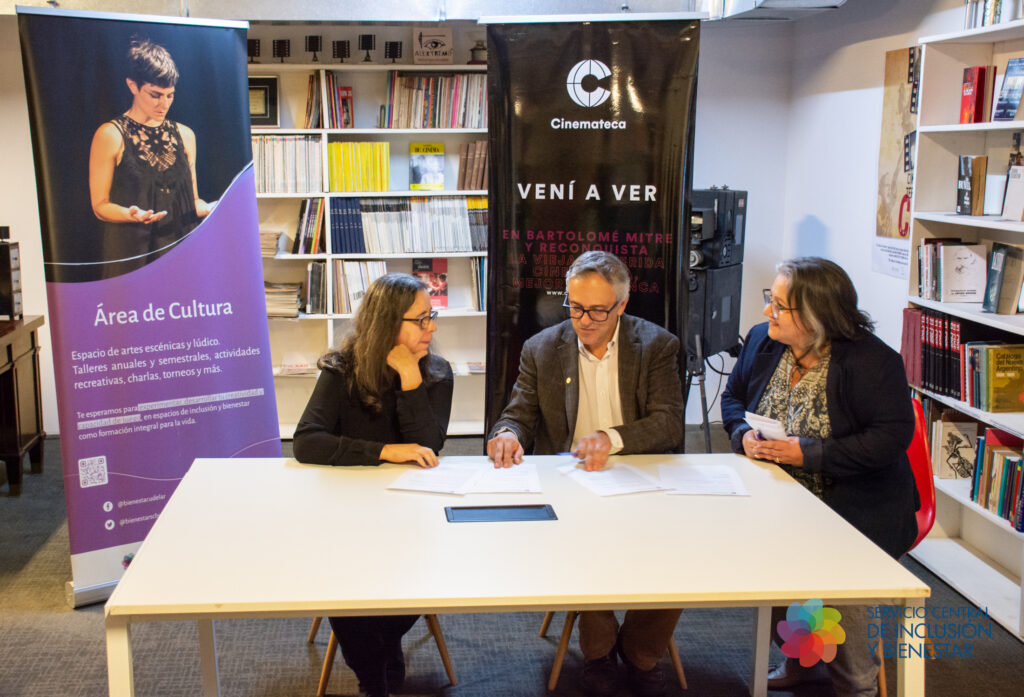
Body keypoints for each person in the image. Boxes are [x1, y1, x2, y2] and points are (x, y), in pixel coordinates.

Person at [487, 250, 683, 697]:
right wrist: (507, 434)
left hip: (641, 475)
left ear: (622, 305)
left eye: (598, 310)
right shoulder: (542, 348)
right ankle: (598, 653)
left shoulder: (656, 345)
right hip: (573, 482)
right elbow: (518, 415)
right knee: (584, 540)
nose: (585, 320)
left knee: (679, 552)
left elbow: (669, 422)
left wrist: (609, 438)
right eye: (576, 307)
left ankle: (640, 651)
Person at [721, 257, 919, 697]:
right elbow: (732, 398)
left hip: (855, 507)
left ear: (815, 317)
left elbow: (890, 438)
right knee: (762, 570)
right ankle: (804, 660)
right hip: (775, 500)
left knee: (835, 580)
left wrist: (807, 453)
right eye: (769, 300)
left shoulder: (873, 361)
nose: (767, 313)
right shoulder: (762, 340)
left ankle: (857, 684)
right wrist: (743, 435)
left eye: (779, 305)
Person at [293, 272, 453, 697]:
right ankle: (374, 677)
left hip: (413, 517)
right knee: (346, 582)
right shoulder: (342, 369)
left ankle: (375, 663)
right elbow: (307, 441)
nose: (432, 328)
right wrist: (384, 451)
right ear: (387, 323)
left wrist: (410, 379)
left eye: (430, 316)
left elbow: (430, 445)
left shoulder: (435, 372)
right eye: (421, 319)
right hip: (348, 513)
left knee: (416, 580)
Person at [88, 38, 214, 268]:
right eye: (155, 95)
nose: (163, 104)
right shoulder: (110, 135)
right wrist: (130, 214)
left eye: (170, 95)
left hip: (181, 252)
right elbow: (100, 205)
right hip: (134, 254)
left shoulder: (185, 135)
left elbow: (192, 200)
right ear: (132, 86)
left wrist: (211, 207)